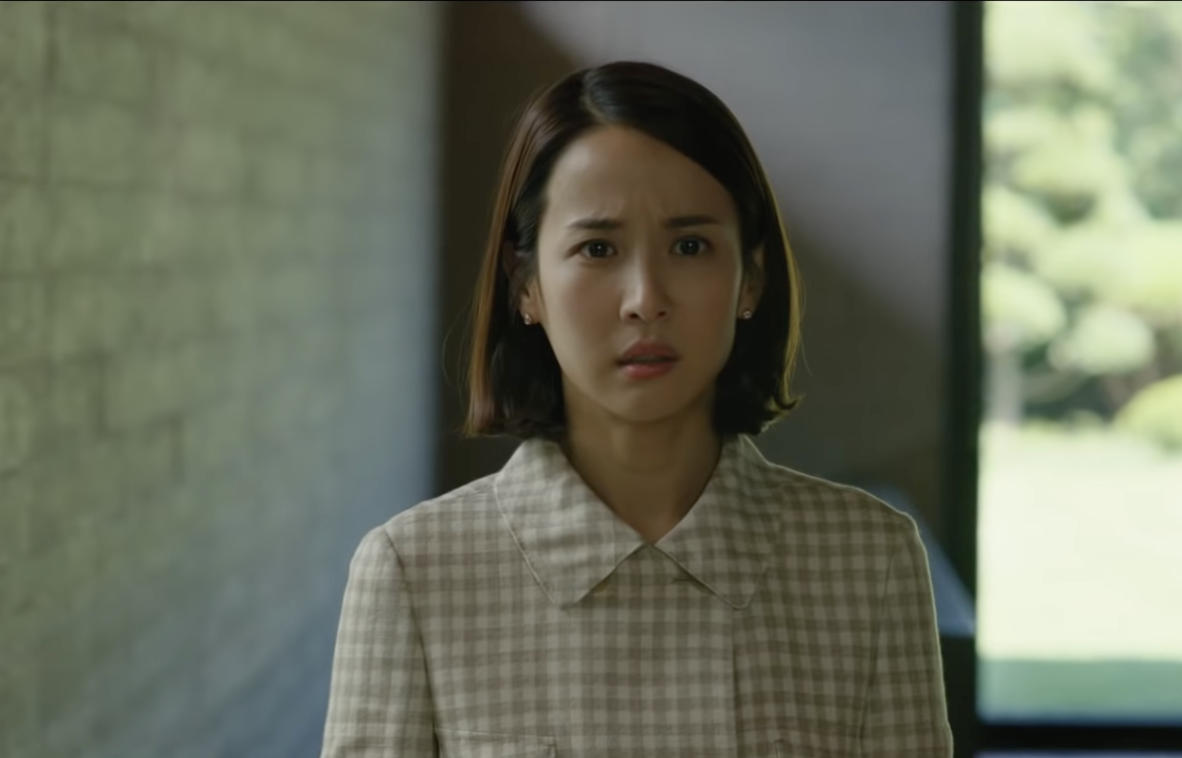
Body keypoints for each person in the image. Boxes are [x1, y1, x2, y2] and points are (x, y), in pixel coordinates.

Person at [320, 60, 952, 758]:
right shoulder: (414, 572)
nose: (646, 298)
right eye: (597, 248)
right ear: (525, 285)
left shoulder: (869, 561)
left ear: (751, 280)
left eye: (690, 246)